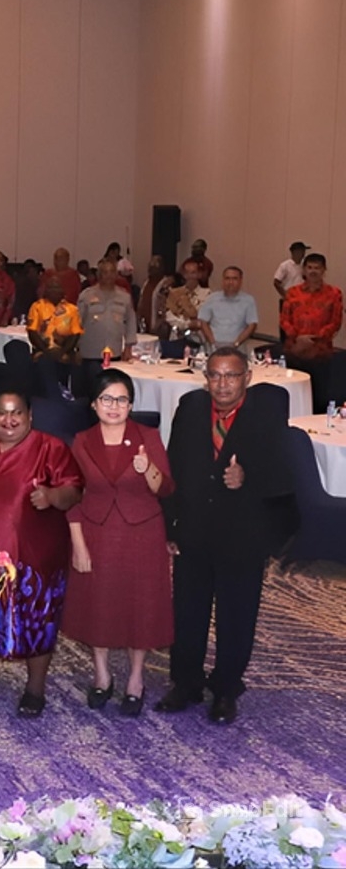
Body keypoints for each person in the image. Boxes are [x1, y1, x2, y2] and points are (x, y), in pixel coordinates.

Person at [158, 347, 294, 725]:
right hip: (194, 530)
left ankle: (225, 689)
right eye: (215, 375)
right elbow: (173, 468)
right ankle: (186, 682)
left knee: (236, 616)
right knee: (188, 611)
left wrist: (247, 478)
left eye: (231, 376)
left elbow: (284, 477)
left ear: (246, 378)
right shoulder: (190, 408)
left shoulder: (265, 416)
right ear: (206, 379)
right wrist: (170, 525)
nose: (222, 384)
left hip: (242, 533)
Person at [0, 389, 82, 717]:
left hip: (34, 556)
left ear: (29, 416)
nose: (9, 420)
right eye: (2, 412)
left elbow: (74, 490)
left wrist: (52, 496)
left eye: (17, 413)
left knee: (37, 620)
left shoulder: (50, 448)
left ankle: (35, 689)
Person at [62, 369, 173, 718]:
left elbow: (165, 488)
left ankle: (136, 679)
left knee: (140, 606)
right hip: (96, 532)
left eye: (122, 399)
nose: (114, 406)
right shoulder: (82, 441)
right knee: (99, 604)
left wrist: (147, 467)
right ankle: (102, 674)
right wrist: (78, 545)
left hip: (142, 532)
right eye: (107, 399)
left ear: (131, 405)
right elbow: (72, 496)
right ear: (94, 404)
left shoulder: (147, 436)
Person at [280, 253, 341, 412]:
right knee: (293, 395)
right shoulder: (292, 292)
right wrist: (298, 338)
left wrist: (314, 339)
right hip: (295, 351)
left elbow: (335, 322)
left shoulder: (334, 293)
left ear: (324, 270)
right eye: (310, 267)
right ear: (304, 270)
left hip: (320, 353)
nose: (313, 271)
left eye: (317, 268)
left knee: (318, 397)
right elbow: (284, 320)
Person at [75, 258, 137, 395]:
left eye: (111, 272)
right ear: (98, 274)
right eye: (105, 272)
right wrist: (75, 348)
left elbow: (131, 321)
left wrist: (128, 347)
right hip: (90, 354)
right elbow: (76, 323)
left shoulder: (124, 297)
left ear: (116, 274)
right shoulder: (86, 295)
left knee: (110, 391)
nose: (108, 276)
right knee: (90, 394)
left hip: (114, 354)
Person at [197, 267, 260, 349]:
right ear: (223, 280)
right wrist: (212, 343)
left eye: (234, 279)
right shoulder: (212, 298)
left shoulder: (248, 300)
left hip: (237, 346)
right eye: (227, 278)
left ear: (241, 281)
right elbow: (203, 321)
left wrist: (236, 344)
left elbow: (252, 325)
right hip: (213, 346)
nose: (230, 282)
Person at [162, 261, 211, 345]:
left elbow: (202, 317)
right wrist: (187, 324)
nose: (190, 276)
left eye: (193, 273)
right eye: (187, 273)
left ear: (199, 274)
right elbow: (169, 316)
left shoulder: (207, 295)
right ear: (183, 275)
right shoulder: (175, 293)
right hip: (177, 338)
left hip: (199, 340)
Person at [273, 241, 308, 305]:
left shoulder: (304, 265)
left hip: (302, 298)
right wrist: (285, 295)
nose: (303, 253)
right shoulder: (285, 265)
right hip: (289, 298)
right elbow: (276, 282)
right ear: (294, 252)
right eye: (302, 251)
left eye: (304, 251)